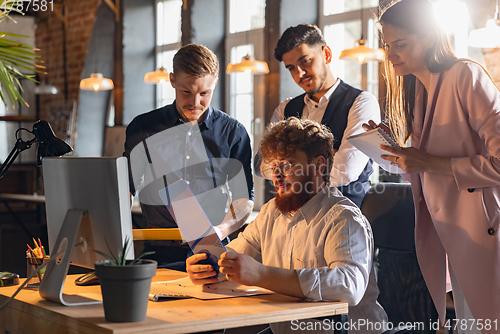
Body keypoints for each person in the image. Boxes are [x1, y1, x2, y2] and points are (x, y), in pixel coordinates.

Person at [368, 0, 500, 331]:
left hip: (484, 231)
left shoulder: (465, 75)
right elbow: (425, 170)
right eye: (387, 45)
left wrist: (427, 161)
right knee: (471, 325)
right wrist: (395, 153)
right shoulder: (418, 94)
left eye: (401, 44)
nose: (391, 54)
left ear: (429, 37)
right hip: (452, 234)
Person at [187, 117, 388, 334]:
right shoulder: (272, 211)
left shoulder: (343, 218)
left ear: (319, 165)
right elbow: (235, 254)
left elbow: (349, 286)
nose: (276, 175)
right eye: (274, 166)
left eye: (287, 165)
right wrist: (210, 265)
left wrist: (260, 274)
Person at [124, 44, 254, 270]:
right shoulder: (142, 128)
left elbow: (243, 199)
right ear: (172, 80)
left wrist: (221, 230)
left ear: (215, 82)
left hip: (212, 252)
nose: (195, 103)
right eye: (187, 92)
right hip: (158, 251)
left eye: (204, 93)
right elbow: (125, 190)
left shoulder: (234, 133)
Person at [258, 23, 381, 207]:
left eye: (305, 61)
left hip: (342, 217)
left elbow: (345, 170)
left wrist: (288, 164)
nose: (299, 73)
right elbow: (263, 166)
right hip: (293, 217)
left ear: (327, 54)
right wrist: (321, 161)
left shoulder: (361, 103)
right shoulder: (285, 109)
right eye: (291, 67)